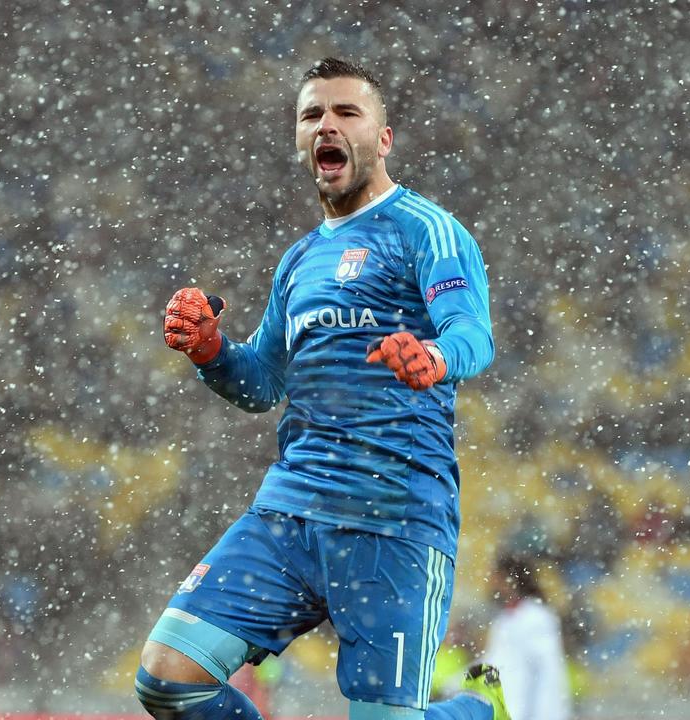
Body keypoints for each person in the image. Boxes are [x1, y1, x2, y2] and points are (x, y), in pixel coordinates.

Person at [137, 57, 507, 720]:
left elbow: (472, 335)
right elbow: (264, 383)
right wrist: (212, 352)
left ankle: (475, 712)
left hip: (393, 517)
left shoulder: (428, 230)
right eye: (313, 115)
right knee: (169, 680)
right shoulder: (300, 260)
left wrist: (433, 356)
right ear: (300, 140)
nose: (327, 125)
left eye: (346, 112)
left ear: (383, 138)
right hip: (291, 512)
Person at [483, 553, 571, 720]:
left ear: (510, 579)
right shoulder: (504, 621)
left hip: (526, 712)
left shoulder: (537, 618)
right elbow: (493, 663)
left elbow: (548, 673)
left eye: (496, 577)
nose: (491, 582)